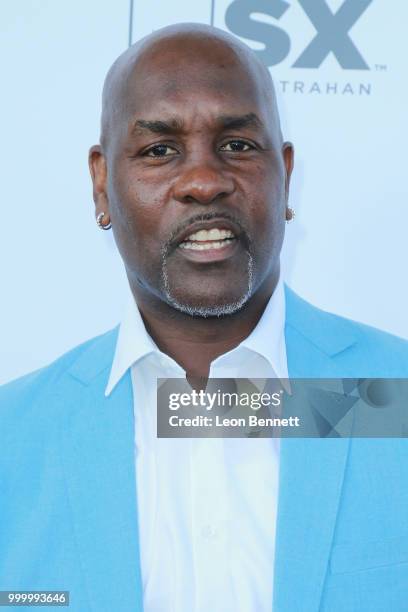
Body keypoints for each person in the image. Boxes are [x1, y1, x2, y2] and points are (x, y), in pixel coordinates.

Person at [1, 23, 408, 612]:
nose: (204, 181)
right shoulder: (16, 437)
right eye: (160, 150)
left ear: (286, 175)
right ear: (100, 185)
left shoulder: (391, 397)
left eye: (238, 145)